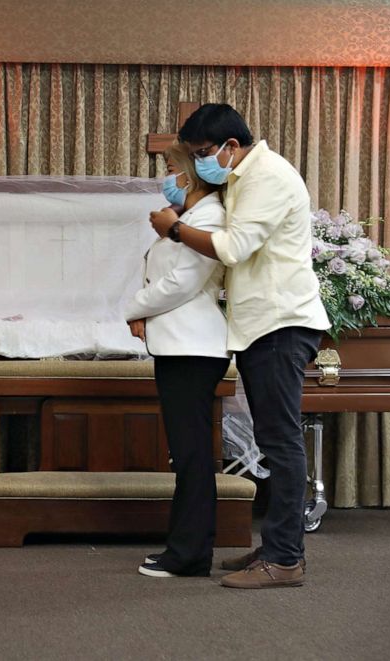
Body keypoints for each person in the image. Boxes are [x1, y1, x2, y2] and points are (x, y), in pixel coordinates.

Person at [148, 103, 330, 589]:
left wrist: (172, 227)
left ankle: (285, 559)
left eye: (204, 153)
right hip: (260, 326)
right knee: (275, 439)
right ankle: (276, 547)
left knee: (280, 441)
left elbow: (232, 248)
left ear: (232, 145)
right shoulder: (243, 176)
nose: (201, 163)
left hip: (280, 324)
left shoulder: (267, 176)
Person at [125, 142, 229, 579]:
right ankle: (187, 551)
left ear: (189, 175)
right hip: (181, 345)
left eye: (170, 168)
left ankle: (188, 555)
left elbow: (183, 282)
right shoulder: (187, 220)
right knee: (186, 455)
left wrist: (135, 308)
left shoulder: (207, 218)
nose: (165, 177)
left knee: (191, 456)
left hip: (194, 347)